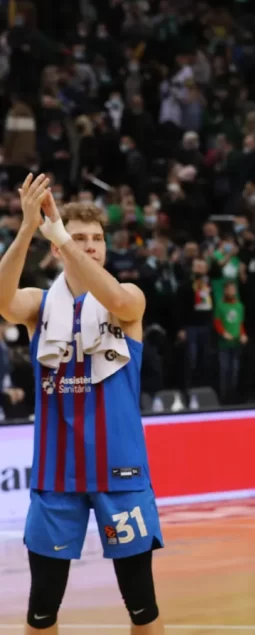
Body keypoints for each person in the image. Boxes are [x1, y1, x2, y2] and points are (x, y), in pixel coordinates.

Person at [0, 174, 165, 635]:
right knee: (41, 612)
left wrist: (62, 237)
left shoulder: (126, 299)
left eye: (97, 239)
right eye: (79, 238)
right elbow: (3, 301)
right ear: (57, 246)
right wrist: (30, 227)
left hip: (123, 475)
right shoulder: (39, 305)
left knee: (143, 609)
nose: (89, 246)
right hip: (57, 477)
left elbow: (111, 295)